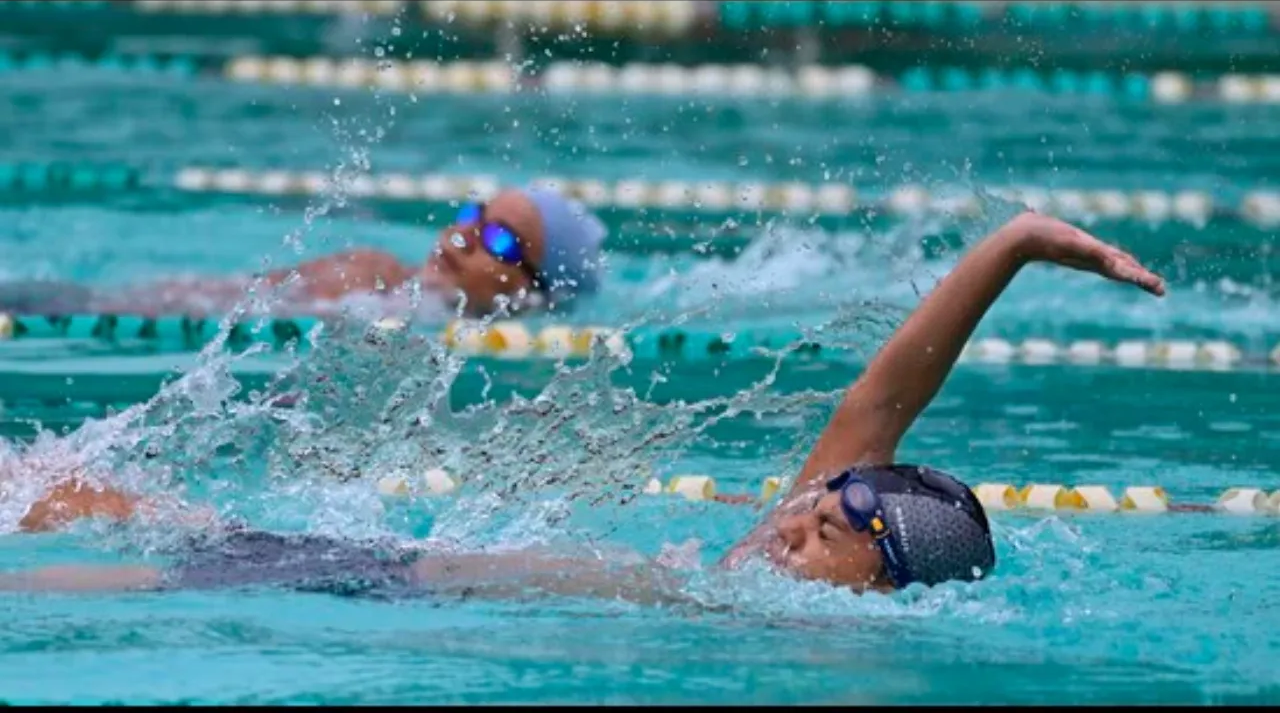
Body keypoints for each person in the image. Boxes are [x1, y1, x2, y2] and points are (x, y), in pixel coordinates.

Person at [0, 211, 1165, 601]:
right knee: (72, 497)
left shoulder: (789, 626)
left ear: (885, 583)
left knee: (73, 536)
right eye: (820, 496)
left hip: (365, 588)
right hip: (363, 568)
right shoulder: (761, 560)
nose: (798, 518)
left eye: (832, 528)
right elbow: (884, 394)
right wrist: (1012, 244)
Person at [0, 186, 607, 320]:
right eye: (472, 213)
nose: (464, 234)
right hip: (90, 306)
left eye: (499, 239)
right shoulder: (373, 275)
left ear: (531, 289)